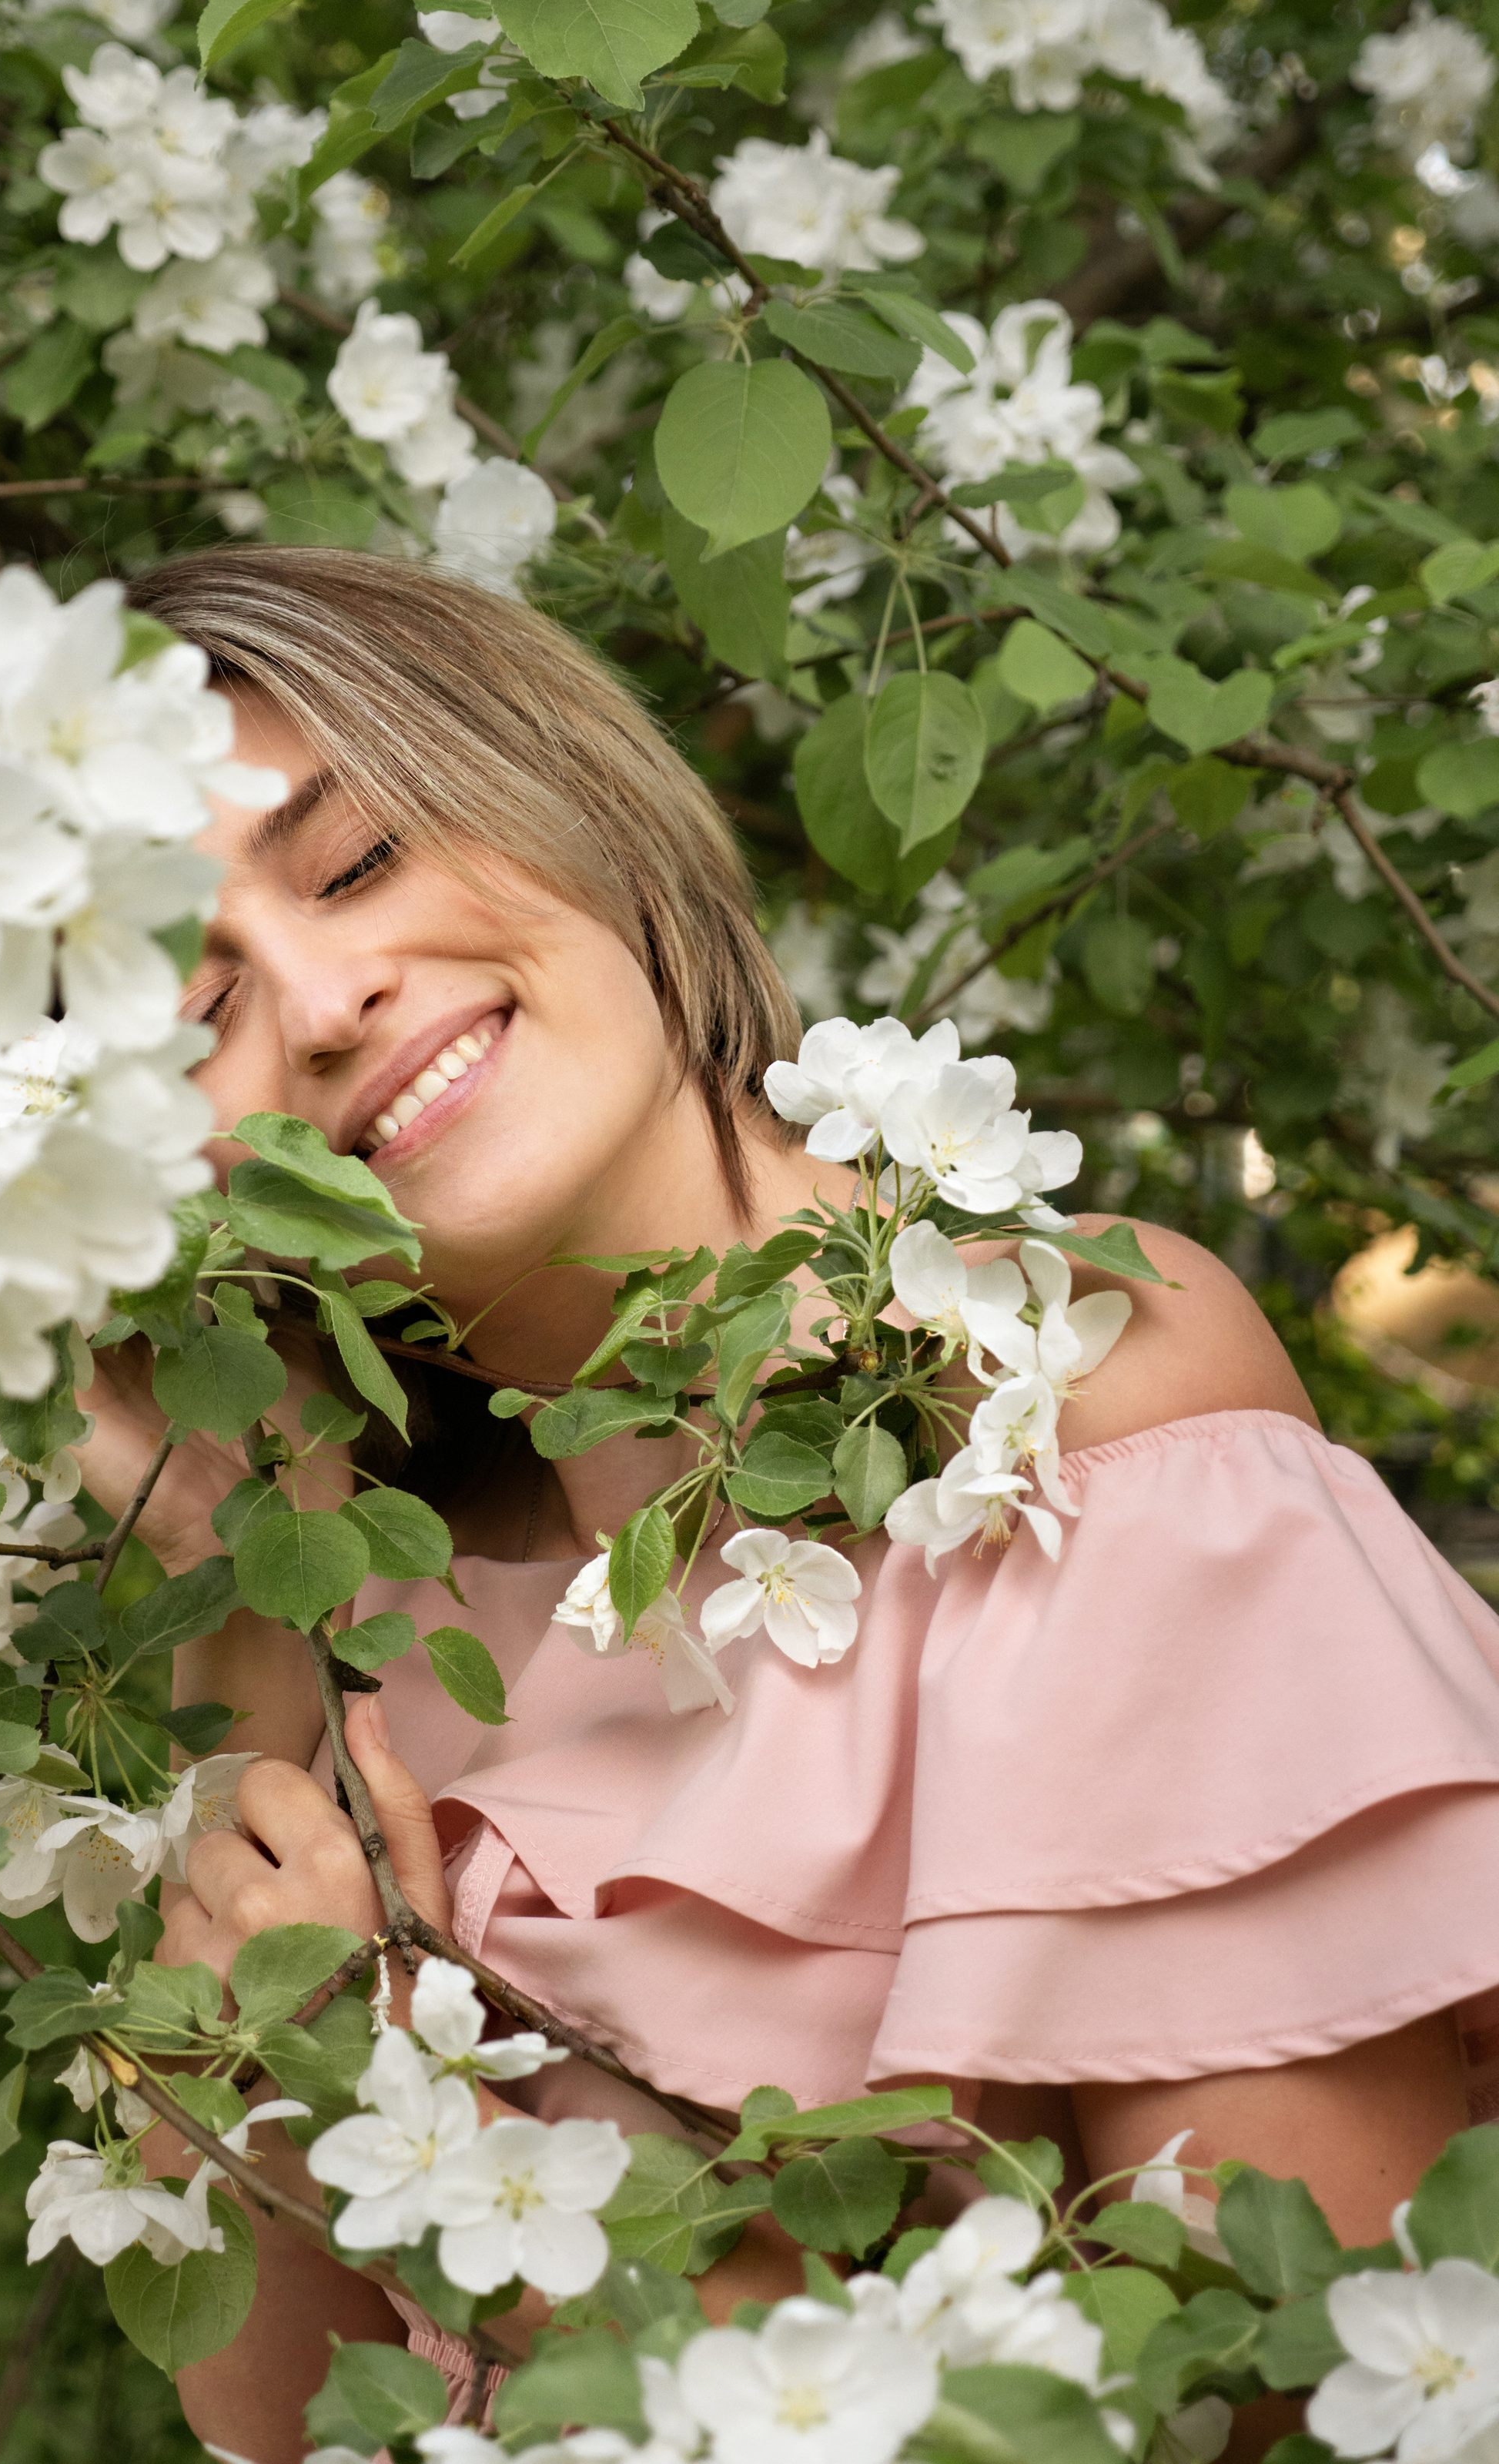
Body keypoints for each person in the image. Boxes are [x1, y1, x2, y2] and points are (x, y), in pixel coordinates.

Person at [76, 545, 1499, 2460]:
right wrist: (230, 1592)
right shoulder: (375, 1631)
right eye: (193, 1013)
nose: (329, 999)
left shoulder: (1072, 1405)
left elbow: (1264, 2403)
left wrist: (398, 2096)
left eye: (354, 864)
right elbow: (272, 2418)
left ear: (560, 792)